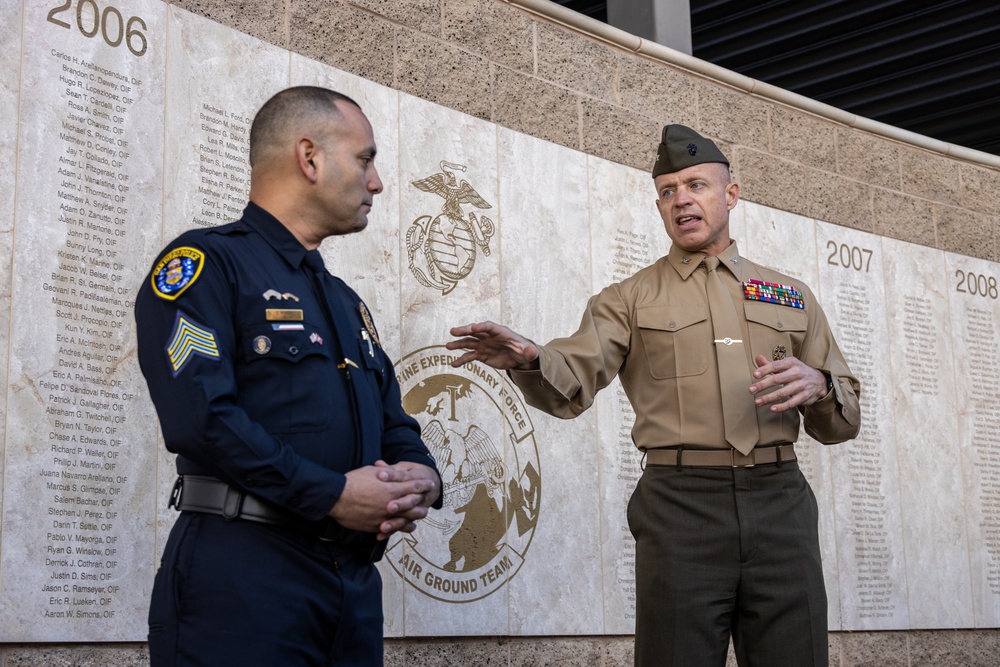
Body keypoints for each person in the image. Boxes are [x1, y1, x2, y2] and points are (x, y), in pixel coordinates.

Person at [447, 124, 860, 667]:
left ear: (730, 195)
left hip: (781, 502)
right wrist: (531, 358)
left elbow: (843, 419)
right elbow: (574, 373)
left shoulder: (790, 294)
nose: (681, 199)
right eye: (668, 191)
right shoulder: (629, 299)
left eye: (696, 185)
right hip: (680, 505)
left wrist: (820, 385)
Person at [135, 86, 441, 667]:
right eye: (366, 159)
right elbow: (202, 419)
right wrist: (331, 495)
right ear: (309, 158)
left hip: (350, 589)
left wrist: (421, 476)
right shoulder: (204, 268)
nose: (376, 182)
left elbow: (394, 421)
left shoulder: (346, 304)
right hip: (245, 582)